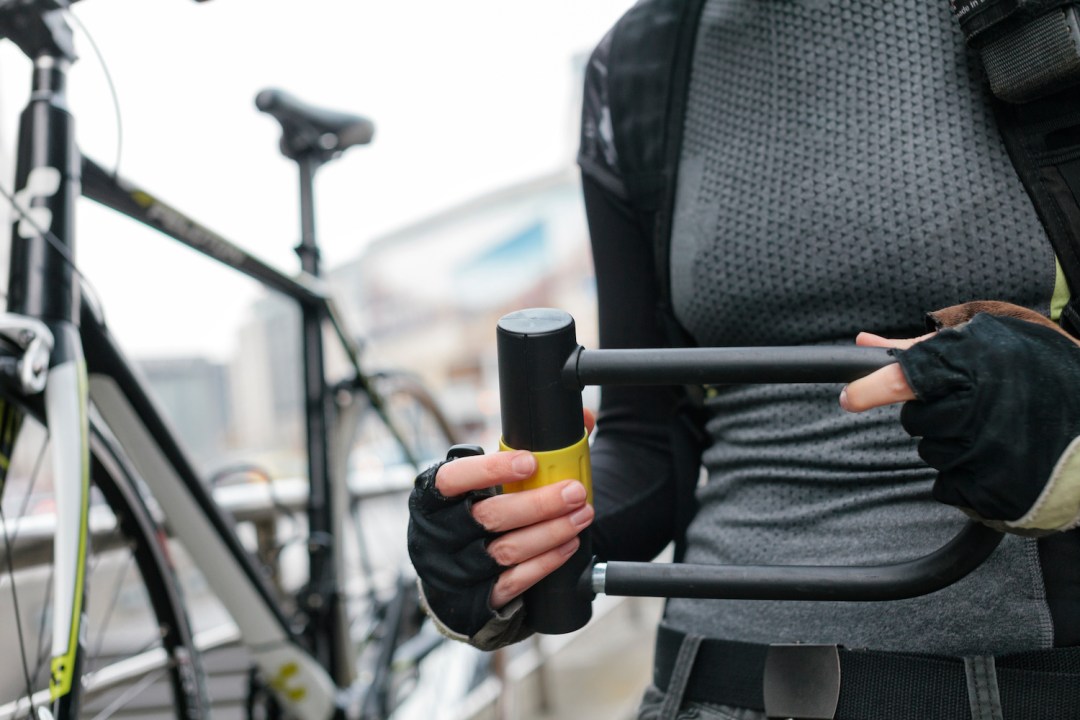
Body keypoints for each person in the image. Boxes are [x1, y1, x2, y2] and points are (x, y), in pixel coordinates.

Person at [408, 1, 1080, 717]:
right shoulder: (639, 62)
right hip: (702, 684)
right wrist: (509, 539)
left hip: (1016, 680)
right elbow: (647, 443)